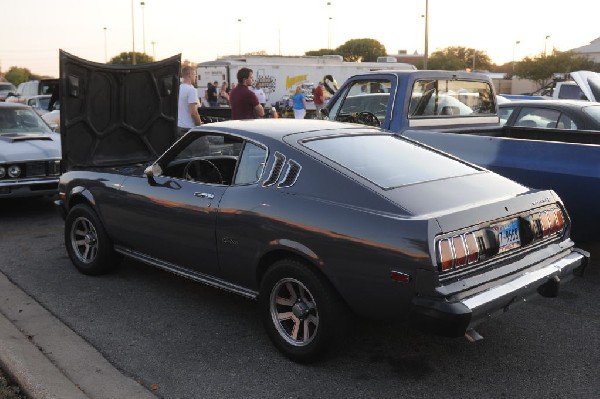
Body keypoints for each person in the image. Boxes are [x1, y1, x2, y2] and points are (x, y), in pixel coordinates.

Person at [178, 66, 202, 138]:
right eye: (195, 75)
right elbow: (193, 113)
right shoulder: (191, 90)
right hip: (188, 128)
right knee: (205, 148)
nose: (195, 77)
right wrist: (200, 126)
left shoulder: (178, 88)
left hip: (178, 127)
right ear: (189, 75)